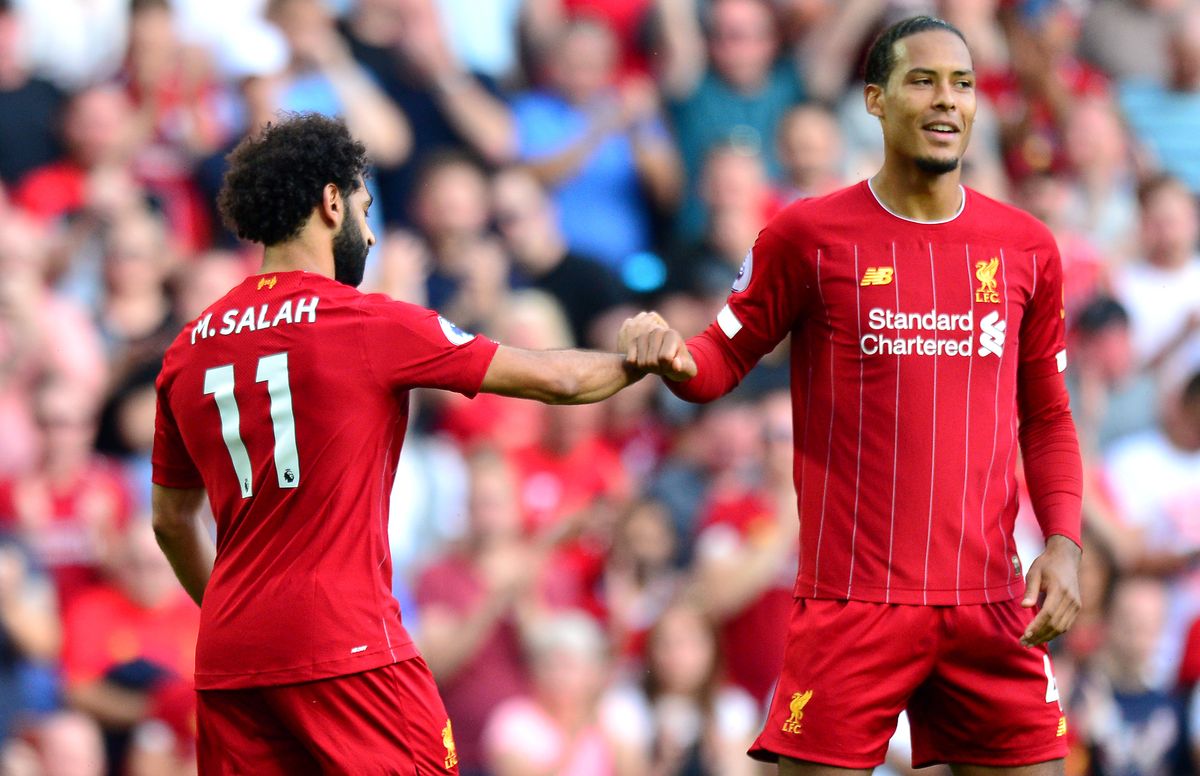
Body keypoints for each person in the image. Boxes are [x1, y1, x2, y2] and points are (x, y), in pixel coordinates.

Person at [149, 112, 693, 774]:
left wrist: (239, 612)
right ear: (329, 202)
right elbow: (556, 380)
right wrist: (647, 358)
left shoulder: (190, 347)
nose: (371, 232)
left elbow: (171, 519)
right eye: (365, 207)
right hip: (345, 642)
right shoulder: (366, 322)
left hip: (232, 655)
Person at [622, 16, 1084, 774]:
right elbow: (717, 362)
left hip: (990, 602)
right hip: (851, 605)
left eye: (962, 84)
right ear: (873, 99)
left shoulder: (1026, 246)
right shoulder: (808, 235)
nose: (947, 101)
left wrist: (1063, 541)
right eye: (923, 80)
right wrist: (668, 353)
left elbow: (1049, 413)